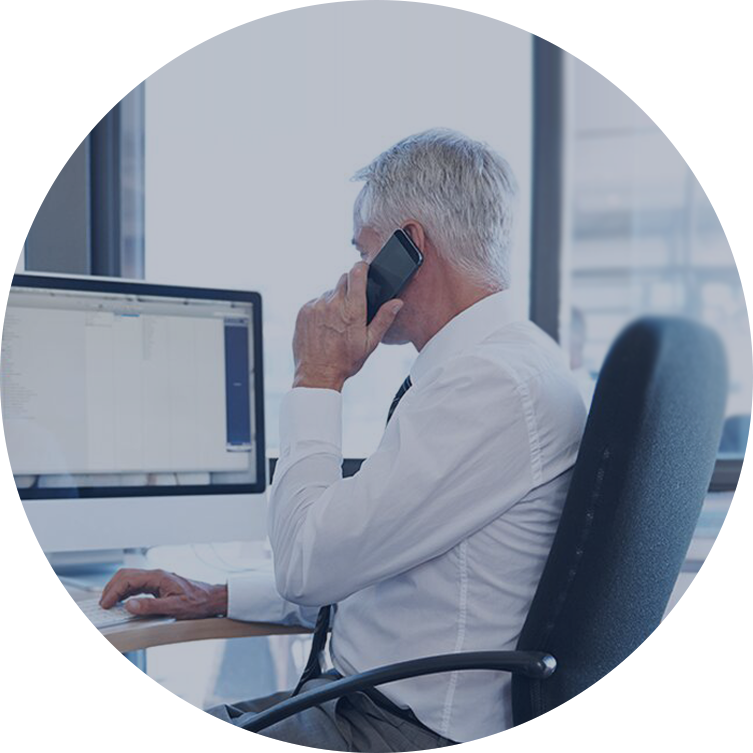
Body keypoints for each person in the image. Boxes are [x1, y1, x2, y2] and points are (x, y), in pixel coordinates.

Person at [101, 129, 587, 749]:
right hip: (375, 706)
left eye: (364, 253)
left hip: (395, 727)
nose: (355, 275)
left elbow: (309, 567)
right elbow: (373, 563)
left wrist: (318, 375)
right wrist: (220, 594)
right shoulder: (500, 365)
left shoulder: (488, 386)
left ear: (407, 248)